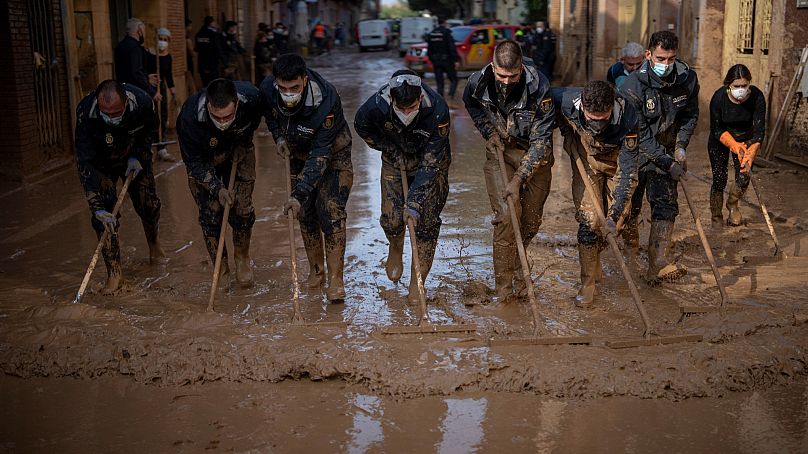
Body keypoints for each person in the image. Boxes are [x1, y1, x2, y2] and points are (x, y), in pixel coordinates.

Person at [463, 40, 555, 302]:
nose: (505, 81)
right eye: (501, 75)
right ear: (493, 66)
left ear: (521, 68)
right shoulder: (477, 82)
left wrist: (518, 179)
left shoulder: (540, 87)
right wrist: (487, 131)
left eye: (512, 75)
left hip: (534, 155)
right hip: (500, 150)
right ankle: (504, 289)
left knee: (530, 221)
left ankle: (517, 268)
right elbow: (470, 104)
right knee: (506, 216)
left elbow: (542, 141)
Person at [260, 54, 353, 303]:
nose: (288, 93)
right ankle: (316, 270)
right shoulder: (268, 89)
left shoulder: (327, 99)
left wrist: (298, 193)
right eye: (283, 88)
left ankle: (336, 278)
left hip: (332, 152)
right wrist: (279, 136)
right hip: (296, 152)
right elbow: (269, 114)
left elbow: (320, 156)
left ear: (305, 78)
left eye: (295, 88)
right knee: (304, 213)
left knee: (330, 210)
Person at [354, 70, 451, 302]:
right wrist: (388, 148)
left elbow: (431, 163)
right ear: (392, 100)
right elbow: (361, 127)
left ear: (419, 98)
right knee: (391, 218)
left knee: (426, 222)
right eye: (401, 109)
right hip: (394, 159)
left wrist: (415, 202)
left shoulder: (437, 109)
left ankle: (417, 282)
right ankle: (395, 245)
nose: (406, 113)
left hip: (430, 159)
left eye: (411, 108)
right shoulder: (375, 106)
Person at [619, 30, 699, 285]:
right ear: (649, 55)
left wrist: (681, 147)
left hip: (666, 150)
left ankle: (658, 264)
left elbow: (690, 115)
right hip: (634, 152)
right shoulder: (631, 87)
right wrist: (668, 163)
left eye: (671, 59)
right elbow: (639, 134)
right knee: (630, 208)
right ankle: (630, 248)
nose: (666, 64)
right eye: (661, 58)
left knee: (666, 205)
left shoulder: (687, 79)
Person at [553, 81, 639, 307]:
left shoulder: (629, 116)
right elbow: (544, 108)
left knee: (617, 222)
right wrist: (565, 129)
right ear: (582, 107)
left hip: (616, 165)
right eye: (592, 119)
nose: (598, 125)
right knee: (589, 223)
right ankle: (587, 283)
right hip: (586, 162)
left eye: (603, 119)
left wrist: (614, 214)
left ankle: (596, 252)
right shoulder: (565, 100)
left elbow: (628, 172)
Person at [75, 80, 165, 294]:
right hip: (101, 163)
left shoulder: (143, 103)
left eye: (116, 113)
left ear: (125, 104)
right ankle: (114, 272)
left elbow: (150, 132)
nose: (111, 118)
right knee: (104, 219)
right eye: (106, 113)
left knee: (148, 204)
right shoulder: (85, 112)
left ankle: (154, 243)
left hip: (133, 157)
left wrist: (138, 155)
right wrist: (96, 207)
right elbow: (84, 161)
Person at [176, 78, 263, 288]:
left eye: (228, 116)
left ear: (237, 105)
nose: (223, 122)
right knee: (210, 214)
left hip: (239, 151)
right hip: (205, 161)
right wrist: (218, 188)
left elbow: (255, 121)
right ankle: (221, 266)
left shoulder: (252, 98)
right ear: (208, 106)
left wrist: (244, 142)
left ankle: (242, 258)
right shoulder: (188, 119)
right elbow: (194, 163)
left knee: (242, 209)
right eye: (217, 117)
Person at [708, 64, 766, 227]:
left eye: (744, 86)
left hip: (746, 139)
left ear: (749, 84)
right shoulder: (719, 98)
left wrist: (751, 151)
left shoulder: (757, 97)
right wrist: (734, 145)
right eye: (736, 86)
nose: (740, 89)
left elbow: (760, 131)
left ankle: (732, 204)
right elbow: (716, 129)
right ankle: (716, 217)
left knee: (744, 176)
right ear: (728, 86)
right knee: (719, 179)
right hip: (721, 139)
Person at [145, 27, 177, 162]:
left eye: (165, 40)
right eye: (160, 39)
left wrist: (173, 93)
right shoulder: (148, 54)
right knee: (151, 117)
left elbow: (168, 76)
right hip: (148, 88)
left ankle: (162, 148)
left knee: (162, 117)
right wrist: (148, 78)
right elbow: (141, 71)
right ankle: (148, 148)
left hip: (161, 88)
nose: (162, 42)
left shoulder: (168, 57)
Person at [114, 18, 160, 103]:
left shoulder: (119, 46)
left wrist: (146, 77)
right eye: (144, 30)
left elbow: (128, 70)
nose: (145, 34)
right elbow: (136, 73)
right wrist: (152, 92)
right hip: (135, 93)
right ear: (139, 31)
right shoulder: (135, 48)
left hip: (122, 91)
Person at [426, 18, 460, 102]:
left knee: (439, 81)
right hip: (447, 60)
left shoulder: (432, 33)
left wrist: (431, 59)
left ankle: (440, 99)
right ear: (445, 22)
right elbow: (451, 47)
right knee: (454, 79)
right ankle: (450, 96)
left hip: (436, 61)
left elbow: (429, 48)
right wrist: (456, 60)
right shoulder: (447, 32)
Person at [195, 16, 224, 86]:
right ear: (211, 23)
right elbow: (218, 49)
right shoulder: (214, 34)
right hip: (212, 64)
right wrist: (225, 62)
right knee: (214, 86)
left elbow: (197, 48)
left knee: (205, 85)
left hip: (202, 64)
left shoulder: (199, 34)